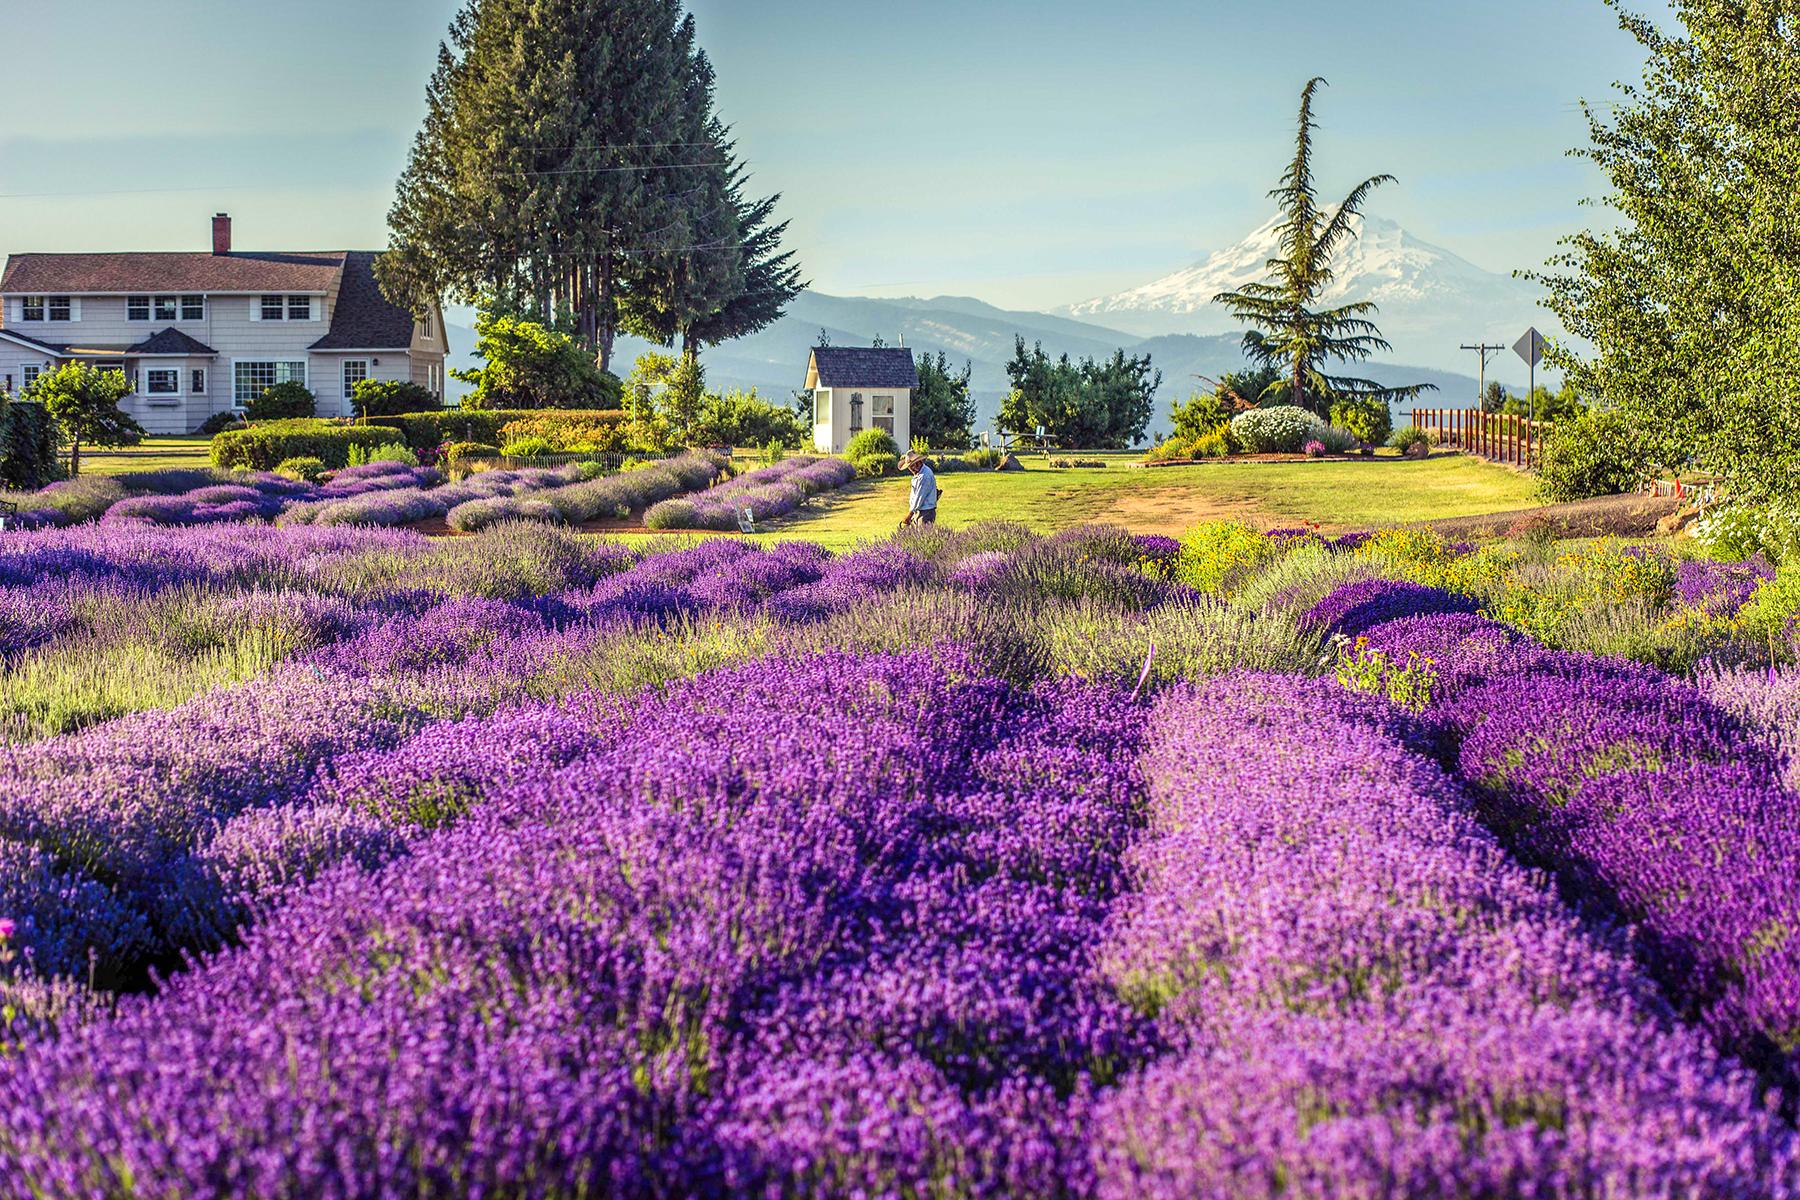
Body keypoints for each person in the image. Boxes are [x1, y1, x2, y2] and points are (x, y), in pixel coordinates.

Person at [898, 450, 939, 527]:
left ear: (920, 462)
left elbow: (919, 498)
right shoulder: (919, 474)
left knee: (923, 536)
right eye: (910, 466)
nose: (913, 468)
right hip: (920, 511)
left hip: (925, 512)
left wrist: (910, 515)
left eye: (915, 464)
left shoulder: (924, 476)